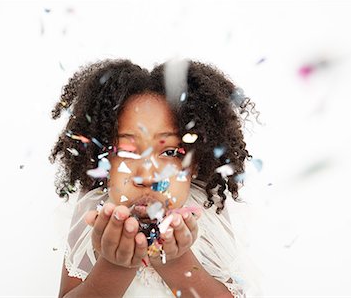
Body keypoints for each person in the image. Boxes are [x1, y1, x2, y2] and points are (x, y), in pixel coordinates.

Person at [49, 59, 259, 298]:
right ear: (102, 161)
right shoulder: (94, 212)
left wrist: (176, 262)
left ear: (196, 163)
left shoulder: (205, 210)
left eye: (170, 152)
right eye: (126, 152)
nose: (147, 175)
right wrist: (115, 265)